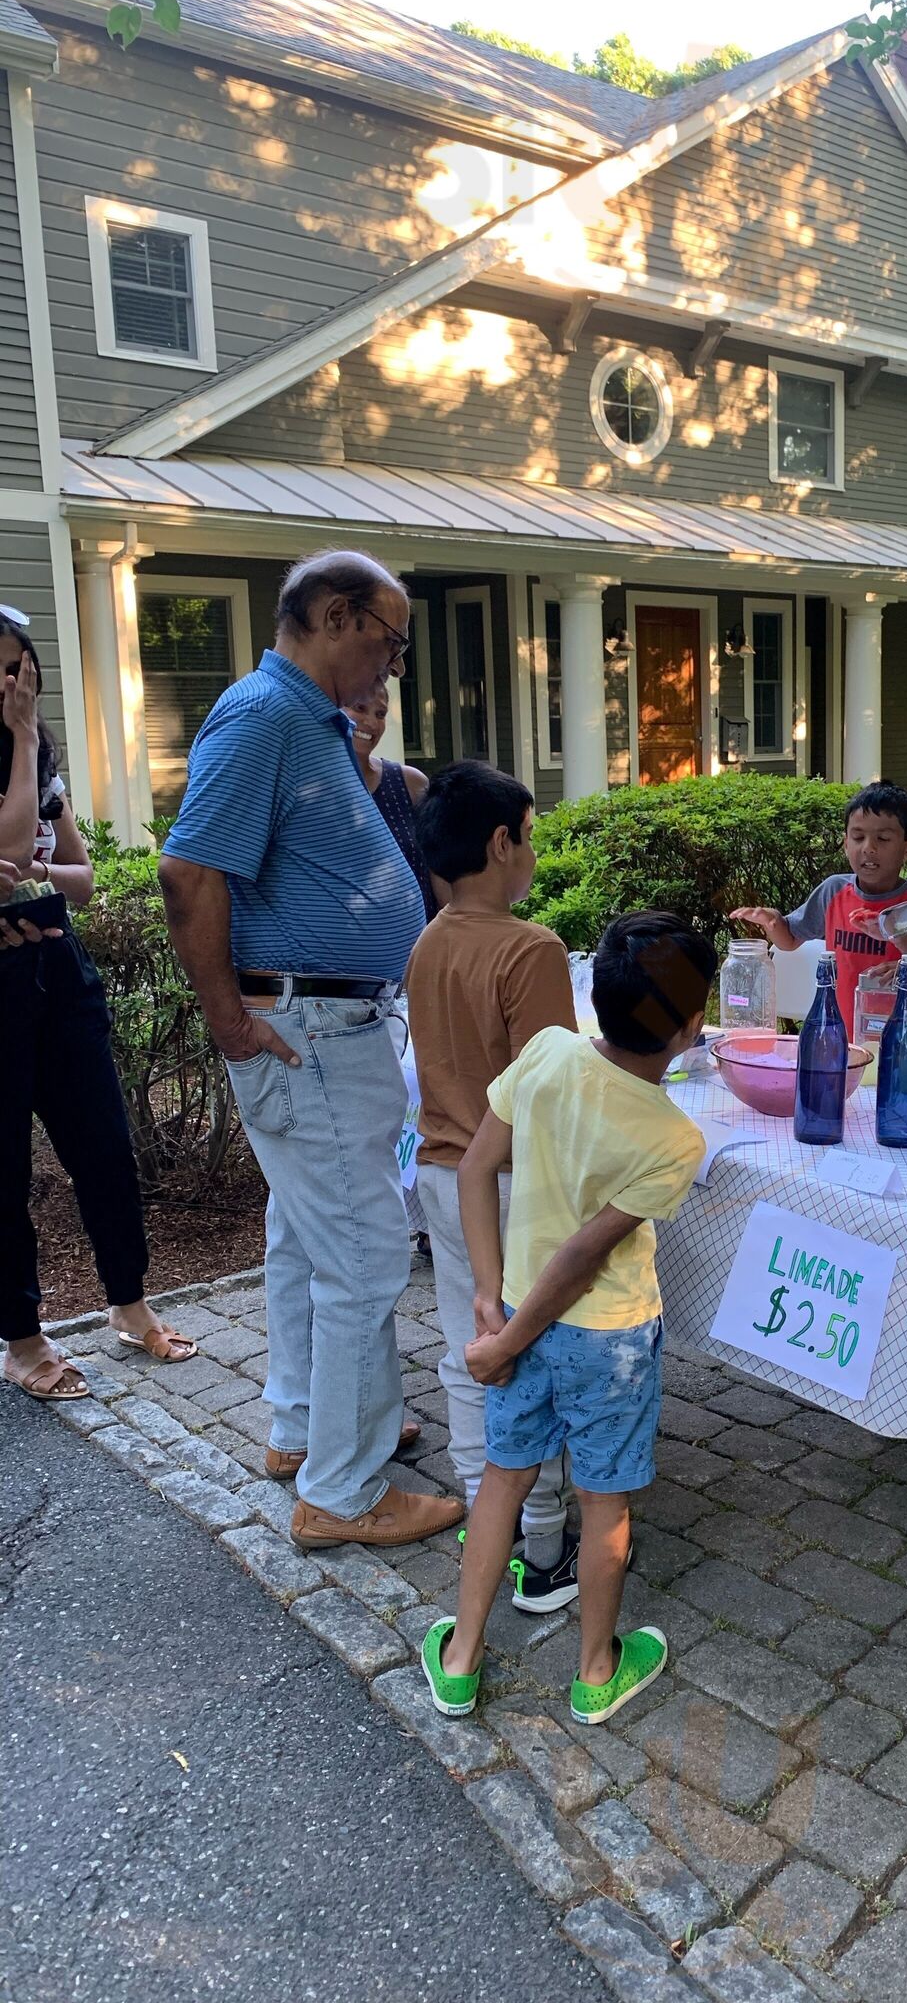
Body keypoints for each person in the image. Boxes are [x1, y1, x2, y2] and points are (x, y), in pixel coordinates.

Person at [159, 550, 462, 1553]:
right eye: (391, 639)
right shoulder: (264, 717)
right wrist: (233, 1025)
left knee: (307, 1236)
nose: (393, 665)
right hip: (308, 1034)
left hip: (327, 1028)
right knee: (369, 1257)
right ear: (336, 617)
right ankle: (343, 1492)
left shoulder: (311, 723)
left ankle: (309, 1426)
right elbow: (189, 873)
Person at [419, 912, 714, 1725]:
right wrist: (504, 1332)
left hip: (519, 1315)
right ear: (691, 1030)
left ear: (597, 996)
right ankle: (594, 1671)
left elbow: (476, 1168)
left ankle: (459, 1659)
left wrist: (490, 1298)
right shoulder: (675, 1137)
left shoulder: (547, 1051)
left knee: (502, 1485)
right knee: (604, 1502)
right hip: (608, 1339)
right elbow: (584, 1257)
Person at [1, 611, 197, 1401]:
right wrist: (17, 745)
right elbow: (17, 848)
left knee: (105, 1151)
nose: (10, 685)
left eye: (19, 668)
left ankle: (128, 1302)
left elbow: (77, 876)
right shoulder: (24, 752)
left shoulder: (42, 761)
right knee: (5, 1173)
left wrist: (28, 881)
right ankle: (22, 1340)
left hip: (58, 973)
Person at [406, 760, 581, 1609]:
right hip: (515, 1191)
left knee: (468, 1356)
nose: (534, 851)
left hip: (440, 1180)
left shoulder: (429, 939)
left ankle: (491, 1525)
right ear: (502, 841)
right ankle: (545, 1548)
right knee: (530, 1364)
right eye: (531, 835)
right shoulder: (531, 949)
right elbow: (553, 1095)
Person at [730, 781, 907, 1040]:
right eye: (858, 837)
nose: (868, 847)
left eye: (883, 838)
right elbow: (789, 939)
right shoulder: (833, 891)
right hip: (841, 1034)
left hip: (903, 1036)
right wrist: (773, 922)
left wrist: (897, 937)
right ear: (846, 843)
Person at [344, 679, 439, 922]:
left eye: (381, 713)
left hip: (421, 943)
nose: (371, 722)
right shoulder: (313, 791)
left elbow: (440, 868)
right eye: (359, 708)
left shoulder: (410, 784)